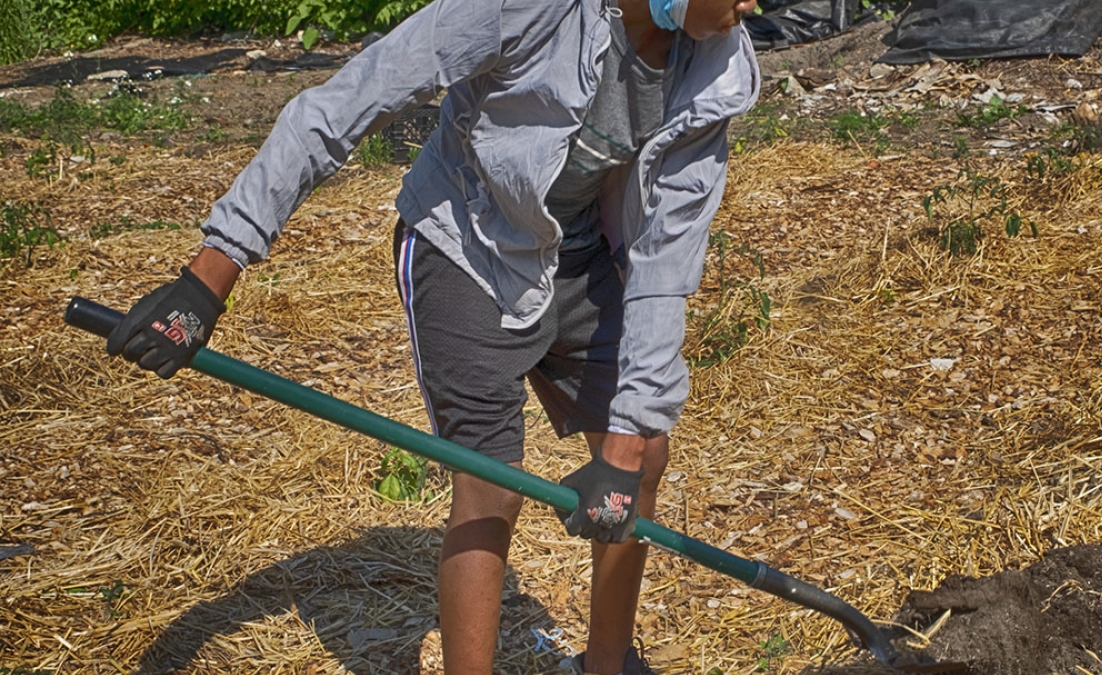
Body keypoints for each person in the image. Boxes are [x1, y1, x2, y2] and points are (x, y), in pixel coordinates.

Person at [105, 0, 760, 671]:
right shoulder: (527, 8)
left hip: (579, 252)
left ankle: (605, 663)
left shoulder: (718, 68)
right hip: (468, 242)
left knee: (645, 452)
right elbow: (347, 102)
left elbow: (665, 256)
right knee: (492, 482)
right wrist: (209, 276)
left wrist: (621, 450)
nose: (751, 4)